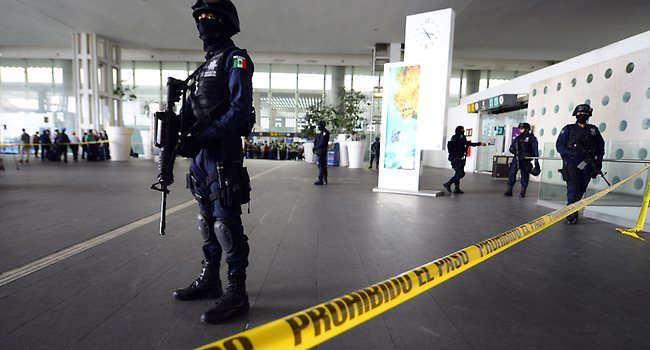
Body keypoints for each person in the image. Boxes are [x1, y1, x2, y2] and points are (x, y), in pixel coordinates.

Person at [173, 0, 254, 324]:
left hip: (222, 153)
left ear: (225, 21)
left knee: (225, 225)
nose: (203, 22)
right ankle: (210, 279)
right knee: (206, 223)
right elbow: (194, 113)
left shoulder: (236, 59)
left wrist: (204, 136)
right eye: (199, 17)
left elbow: (239, 110)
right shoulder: (202, 67)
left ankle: (237, 291)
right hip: (202, 158)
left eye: (209, 16)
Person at [556, 104, 605, 224]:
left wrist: (598, 162)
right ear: (575, 115)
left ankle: (571, 208)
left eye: (585, 113)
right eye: (580, 113)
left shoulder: (593, 130)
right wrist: (571, 153)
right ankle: (571, 214)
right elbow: (559, 145)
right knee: (573, 189)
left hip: (587, 165)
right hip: (572, 164)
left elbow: (600, 146)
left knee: (582, 189)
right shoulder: (568, 129)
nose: (582, 115)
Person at [443, 125, 486, 194]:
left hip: (460, 158)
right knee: (461, 173)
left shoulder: (459, 137)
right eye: (462, 130)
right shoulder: (457, 138)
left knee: (458, 173)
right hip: (456, 159)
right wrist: (479, 144)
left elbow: (466, 144)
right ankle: (448, 184)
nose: (463, 131)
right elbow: (467, 144)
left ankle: (457, 188)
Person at [504, 123, 539, 197]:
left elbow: (535, 150)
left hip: (525, 159)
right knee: (512, 173)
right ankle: (509, 190)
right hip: (517, 158)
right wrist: (513, 150)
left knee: (524, 174)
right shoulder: (518, 137)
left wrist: (536, 162)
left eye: (522, 128)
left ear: (526, 129)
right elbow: (512, 147)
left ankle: (523, 191)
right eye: (520, 128)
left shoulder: (532, 138)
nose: (520, 130)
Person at [313, 120, 330, 185]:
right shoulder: (321, 133)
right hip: (319, 151)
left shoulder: (325, 133)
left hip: (322, 151)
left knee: (322, 166)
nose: (318, 127)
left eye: (319, 125)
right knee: (321, 166)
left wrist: (315, 147)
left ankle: (321, 180)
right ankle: (324, 179)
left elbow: (322, 143)